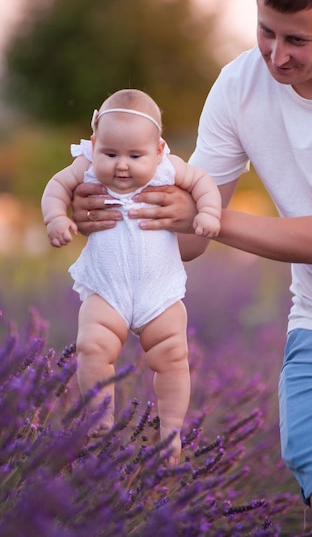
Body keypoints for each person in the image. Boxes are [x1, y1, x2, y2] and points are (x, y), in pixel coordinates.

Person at [70, 0, 312, 537]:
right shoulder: (237, 86)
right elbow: (189, 239)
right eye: (265, 30)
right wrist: (111, 208)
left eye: (297, 40)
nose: (275, 55)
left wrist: (208, 216)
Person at [41, 88, 221, 465]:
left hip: (160, 293)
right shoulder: (86, 167)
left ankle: (171, 432)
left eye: (135, 156)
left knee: (173, 356)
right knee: (91, 348)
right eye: (110, 154)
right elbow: (56, 187)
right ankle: (99, 424)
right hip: (107, 290)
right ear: (94, 145)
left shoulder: (170, 168)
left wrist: (208, 213)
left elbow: (204, 182)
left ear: (159, 150)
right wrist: (56, 217)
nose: (121, 165)